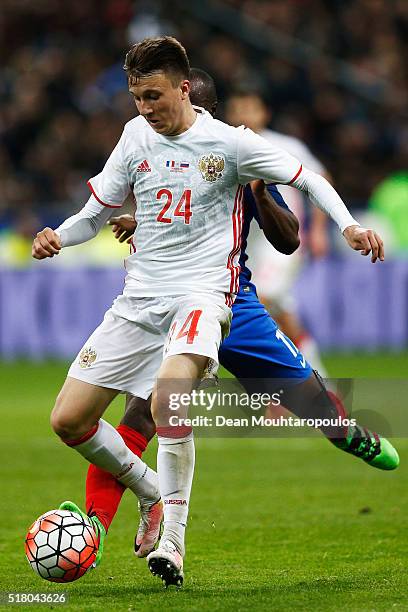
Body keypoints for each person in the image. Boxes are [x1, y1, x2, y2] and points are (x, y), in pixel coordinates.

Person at [32, 38, 387, 588]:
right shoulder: (135, 136)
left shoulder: (235, 148)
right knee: (73, 419)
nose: (144, 108)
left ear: (187, 91)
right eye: (136, 97)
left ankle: (171, 540)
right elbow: (102, 208)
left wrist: (350, 227)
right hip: (142, 300)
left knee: (266, 401)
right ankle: (148, 496)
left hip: (218, 297)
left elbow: (300, 207)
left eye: (153, 96)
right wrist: (62, 235)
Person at [225, 91, 332, 375]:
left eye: (250, 108)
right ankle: (313, 378)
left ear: (264, 113)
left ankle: (283, 382)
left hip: (280, 243)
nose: (243, 115)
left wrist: (319, 229)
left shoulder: (285, 145)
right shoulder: (225, 146)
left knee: (264, 299)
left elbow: (320, 179)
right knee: (281, 312)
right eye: (237, 109)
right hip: (246, 245)